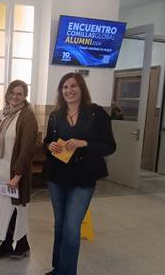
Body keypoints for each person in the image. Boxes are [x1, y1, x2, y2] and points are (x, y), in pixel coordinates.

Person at [42, 72, 116, 275]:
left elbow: (110, 146)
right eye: (65, 87)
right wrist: (49, 147)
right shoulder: (55, 115)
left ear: (82, 88)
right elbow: (47, 141)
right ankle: (58, 268)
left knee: (72, 227)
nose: (69, 90)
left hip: (83, 178)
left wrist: (85, 143)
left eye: (73, 86)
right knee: (60, 225)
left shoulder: (96, 113)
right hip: (57, 177)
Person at [0, 80, 38, 260]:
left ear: (25, 97)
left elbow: (27, 148)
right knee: (4, 208)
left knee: (14, 209)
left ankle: (9, 245)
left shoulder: (27, 116)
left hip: (14, 173)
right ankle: (19, 245)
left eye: (20, 94)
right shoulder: (6, 114)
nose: (15, 96)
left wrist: (18, 175)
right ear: (8, 94)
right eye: (12, 93)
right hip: (2, 170)